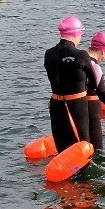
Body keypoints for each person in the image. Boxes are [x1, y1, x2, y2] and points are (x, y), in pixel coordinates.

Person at [43, 15, 98, 153]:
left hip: (56, 105)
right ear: (76, 34)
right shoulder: (81, 54)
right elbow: (93, 83)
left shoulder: (48, 53)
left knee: (62, 150)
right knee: (81, 149)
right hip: (76, 106)